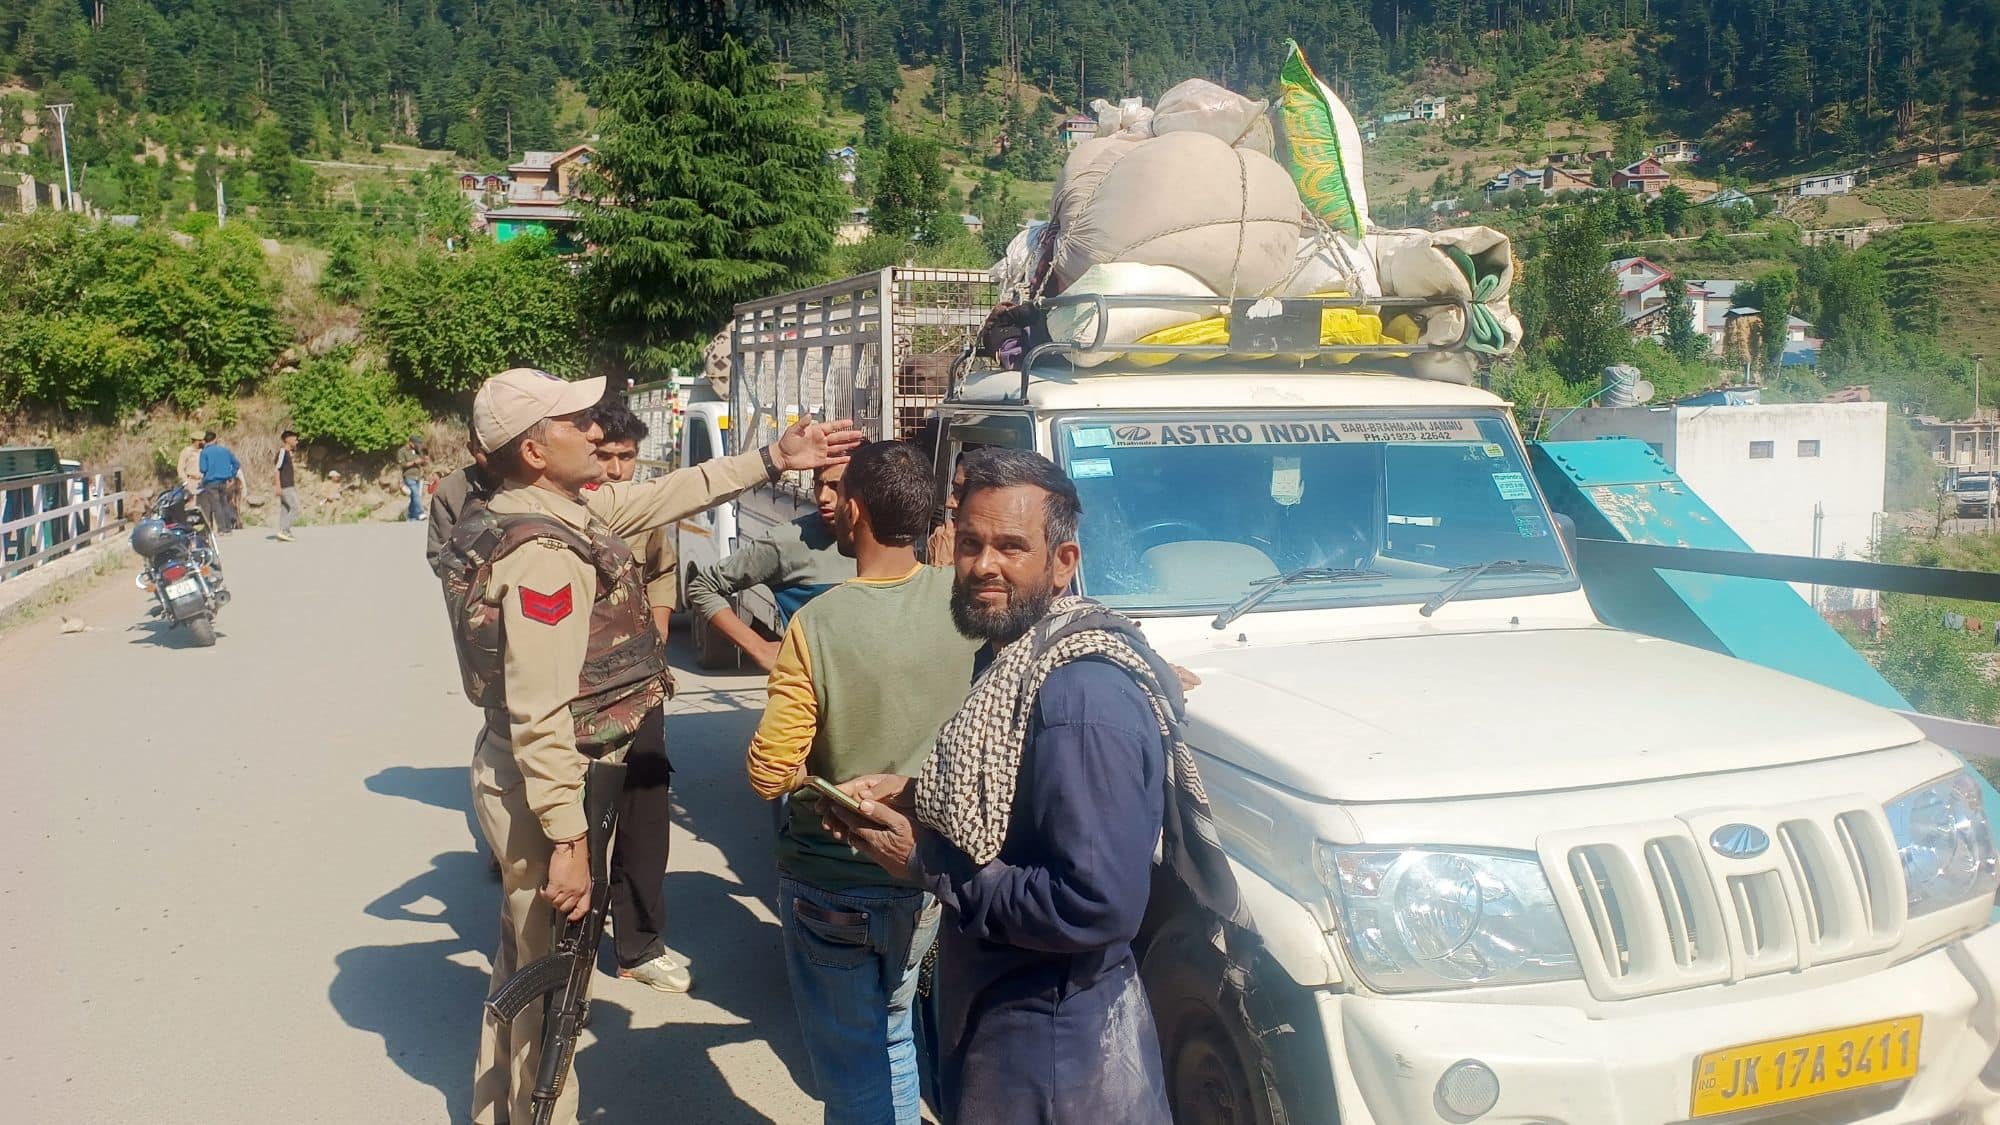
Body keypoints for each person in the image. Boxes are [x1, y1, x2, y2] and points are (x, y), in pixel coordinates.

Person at [451, 366, 860, 1125]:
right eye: (575, 423)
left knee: (529, 965)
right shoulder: (542, 550)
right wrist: (567, 837)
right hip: (554, 780)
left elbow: (671, 493)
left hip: (555, 772)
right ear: (535, 450)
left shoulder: (552, 509)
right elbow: (541, 713)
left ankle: (498, 1111)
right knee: (552, 981)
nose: (595, 432)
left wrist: (772, 458)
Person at [822, 448, 1244, 1125]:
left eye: (1011, 546)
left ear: (1063, 562)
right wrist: (915, 794)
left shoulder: (1080, 698)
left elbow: (1095, 905)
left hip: (1054, 1054)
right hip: (1013, 1022)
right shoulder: (1021, 659)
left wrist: (925, 859)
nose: (984, 564)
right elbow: (1018, 808)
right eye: (970, 543)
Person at [744, 440, 977, 1125]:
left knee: (852, 1072)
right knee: (896, 1033)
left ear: (853, 511)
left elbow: (767, 773)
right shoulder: (964, 601)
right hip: (924, 871)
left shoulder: (816, 623)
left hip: (833, 884)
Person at [587, 397, 693, 994]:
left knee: (646, 812)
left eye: (627, 457)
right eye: (606, 455)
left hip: (639, 684)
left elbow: (661, 573)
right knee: (577, 820)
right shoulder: (564, 512)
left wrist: (655, 638)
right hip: (578, 693)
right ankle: (561, 947)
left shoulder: (643, 510)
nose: (617, 469)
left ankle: (640, 945)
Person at [687, 460, 857, 671]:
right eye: (818, 484)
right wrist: (758, 647)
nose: (823, 497)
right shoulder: (788, 542)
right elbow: (703, 586)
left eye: (835, 486)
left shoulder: (893, 539)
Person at [426, 444, 497, 577]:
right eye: (484, 449)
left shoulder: (536, 480)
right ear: (472, 449)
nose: (495, 453)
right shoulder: (450, 491)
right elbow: (440, 557)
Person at [197, 430, 241, 534]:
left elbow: (203, 469)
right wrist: (231, 475)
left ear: (204, 441)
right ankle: (228, 528)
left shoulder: (204, 452)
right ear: (215, 439)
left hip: (210, 482)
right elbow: (236, 464)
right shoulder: (224, 450)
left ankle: (221, 528)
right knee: (224, 503)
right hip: (224, 481)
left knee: (216, 505)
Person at [274, 430, 301, 542]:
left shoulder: (287, 454)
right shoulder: (282, 452)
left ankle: (284, 533)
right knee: (295, 508)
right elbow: (276, 470)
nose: (297, 441)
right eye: (295, 439)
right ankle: (284, 530)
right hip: (286, 486)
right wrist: (278, 486)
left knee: (285, 509)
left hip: (287, 485)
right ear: (287, 439)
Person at [398, 435, 429, 522]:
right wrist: (414, 462)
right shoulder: (402, 451)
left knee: (413, 496)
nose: (417, 445)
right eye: (416, 443)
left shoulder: (416, 451)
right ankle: (420, 513)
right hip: (408, 476)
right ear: (410, 442)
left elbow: (421, 463)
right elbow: (402, 464)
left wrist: (424, 461)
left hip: (417, 476)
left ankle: (411, 517)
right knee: (415, 494)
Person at [177, 435, 205, 507]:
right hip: (191, 481)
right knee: (192, 505)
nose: (203, 442)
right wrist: (185, 481)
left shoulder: (204, 451)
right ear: (195, 441)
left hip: (203, 481)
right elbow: (180, 468)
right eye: (200, 441)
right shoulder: (186, 451)